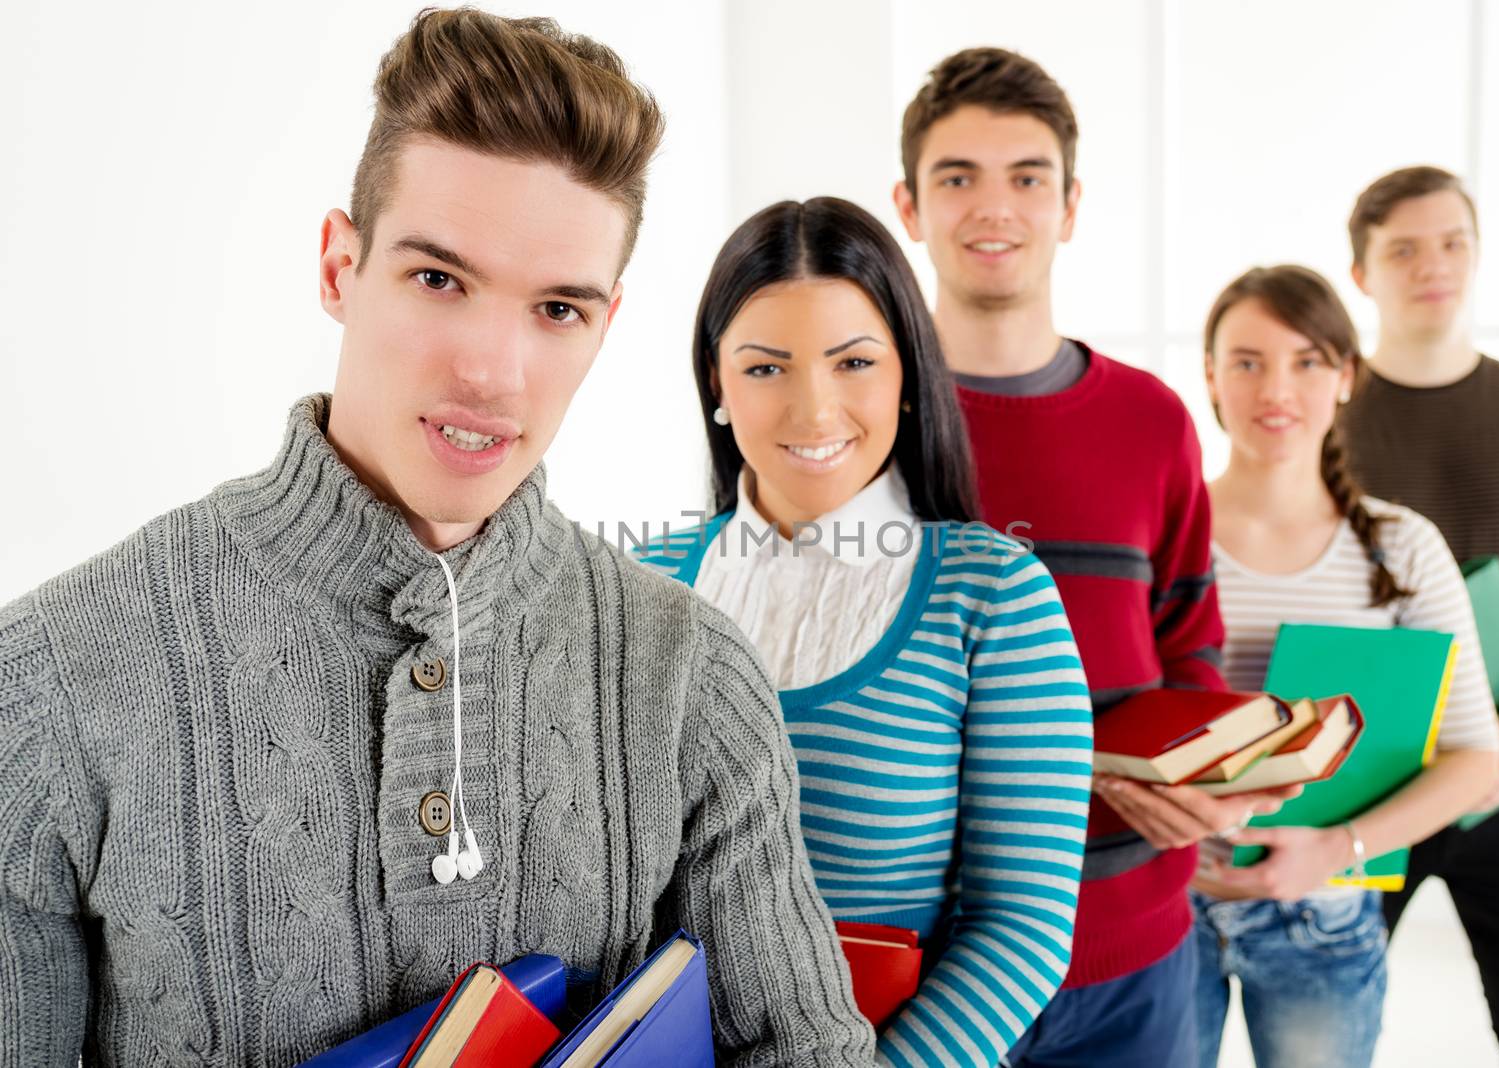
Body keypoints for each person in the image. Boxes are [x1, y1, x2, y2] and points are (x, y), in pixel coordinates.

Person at [0, 12, 877, 1066]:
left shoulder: (691, 676)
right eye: (438, 280)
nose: (492, 371)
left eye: (557, 308)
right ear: (338, 265)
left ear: (606, 323)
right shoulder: (50, 677)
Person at [891, 47, 1296, 1067]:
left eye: (1027, 177)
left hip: (1132, 951)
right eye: (958, 178)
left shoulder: (1153, 422)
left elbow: (1188, 642)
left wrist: (1206, 773)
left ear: (1069, 207)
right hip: (915, 957)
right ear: (908, 205)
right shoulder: (855, 416)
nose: (996, 207)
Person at [633, 196, 1093, 1067]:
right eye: (766, 368)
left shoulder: (993, 594)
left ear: (909, 379)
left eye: (853, 362)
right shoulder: (640, 583)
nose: (814, 411)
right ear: (716, 384)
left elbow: (1022, 930)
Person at [1188, 264, 1499, 1068]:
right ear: (1211, 377)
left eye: (1307, 360)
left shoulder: (1400, 547)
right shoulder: (1162, 533)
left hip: (1323, 915)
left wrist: (1337, 850)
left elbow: (1474, 758)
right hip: (1165, 905)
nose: (1276, 389)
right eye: (1248, 361)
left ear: (1346, 377)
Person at [1338, 165, 1499, 1068]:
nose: (1432, 265)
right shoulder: (1319, 419)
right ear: (1362, 272)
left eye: (1452, 241)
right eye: (1402, 248)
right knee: (1325, 1037)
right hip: (1362, 774)